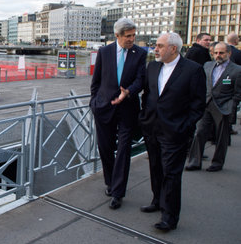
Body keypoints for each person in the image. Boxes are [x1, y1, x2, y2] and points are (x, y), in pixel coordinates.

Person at [139, 32, 206, 231]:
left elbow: (198, 105)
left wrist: (185, 126)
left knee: (171, 174)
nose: (155, 49)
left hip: (175, 131)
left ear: (173, 48)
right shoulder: (153, 66)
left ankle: (169, 217)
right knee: (155, 167)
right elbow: (148, 95)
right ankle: (157, 200)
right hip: (152, 128)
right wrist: (144, 118)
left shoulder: (193, 70)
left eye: (159, 46)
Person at [90, 17, 147, 210]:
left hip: (128, 109)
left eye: (133, 35)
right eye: (128, 36)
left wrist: (128, 91)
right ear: (117, 36)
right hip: (104, 108)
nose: (132, 39)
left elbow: (141, 79)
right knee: (105, 148)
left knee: (123, 150)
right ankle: (110, 182)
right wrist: (94, 103)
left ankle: (118, 192)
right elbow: (96, 81)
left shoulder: (139, 53)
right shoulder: (104, 52)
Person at [186, 42, 241, 172]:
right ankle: (194, 161)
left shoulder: (237, 70)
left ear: (229, 53)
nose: (218, 55)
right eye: (215, 53)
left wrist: (231, 107)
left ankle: (217, 163)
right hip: (206, 105)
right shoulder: (207, 65)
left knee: (221, 137)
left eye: (221, 53)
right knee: (199, 133)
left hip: (223, 107)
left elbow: (238, 93)